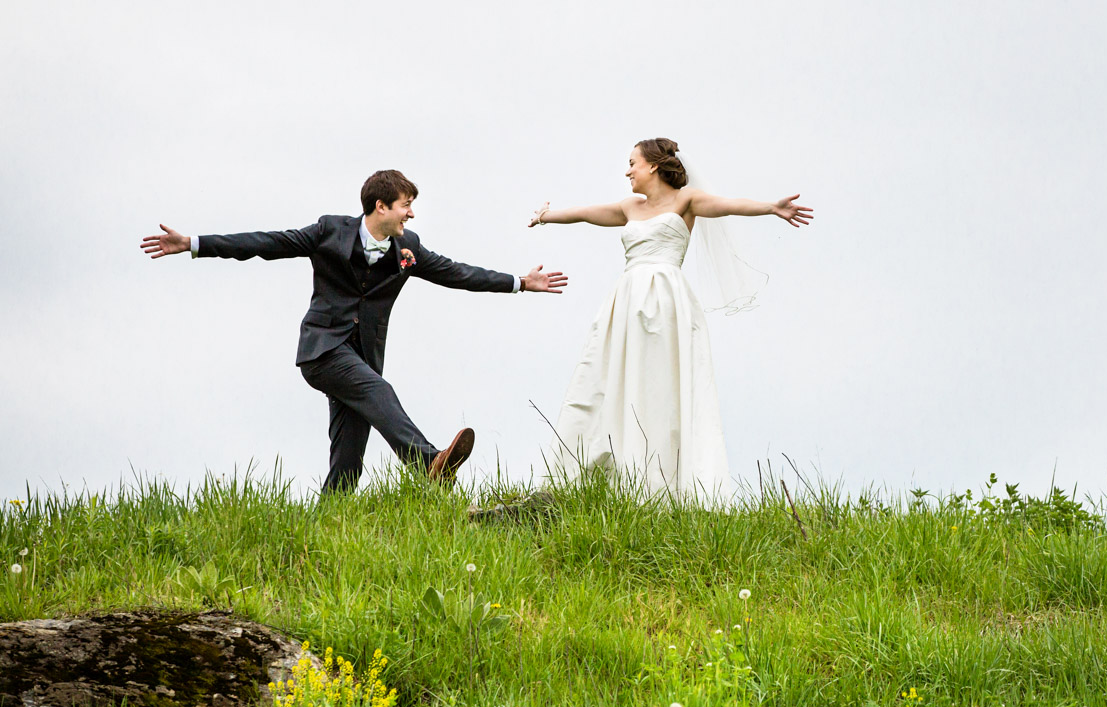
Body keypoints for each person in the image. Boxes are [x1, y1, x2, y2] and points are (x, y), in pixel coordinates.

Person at [140, 169, 568, 495]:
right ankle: (428, 464)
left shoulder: (409, 248)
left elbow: (455, 273)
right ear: (380, 206)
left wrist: (519, 282)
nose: (412, 212)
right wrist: (194, 243)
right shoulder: (330, 231)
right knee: (379, 392)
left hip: (361, 356)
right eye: (406, 204)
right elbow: (265, 243)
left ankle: (329, 523)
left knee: (348, 461)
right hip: (323, 351)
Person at [528, 138, 810, 499]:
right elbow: (586, 213)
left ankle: (664, 482)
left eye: (632, 163)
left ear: (653, 166)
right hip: (626, 302)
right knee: (608, 377)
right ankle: (602, 472)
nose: (627, 170)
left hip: (666, 302)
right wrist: (547, 216)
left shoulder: (686, 201)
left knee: (660, 386)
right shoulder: (630, 207)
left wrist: (771, 207)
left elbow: (728, 206)